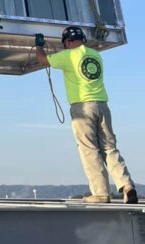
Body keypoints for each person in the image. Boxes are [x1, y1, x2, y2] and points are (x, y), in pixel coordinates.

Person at [36, 26, 137, 204]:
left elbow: (42, 60)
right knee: (109, 148)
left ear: (67, 42)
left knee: (89, 149)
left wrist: (39, 46)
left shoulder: (69, 55)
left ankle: (100, 193)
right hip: (102, 105)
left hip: (82, 107)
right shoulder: (95, 55)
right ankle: (127, 186)